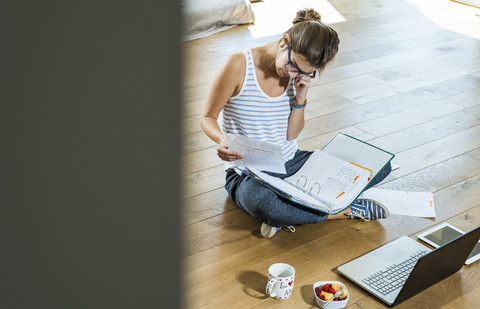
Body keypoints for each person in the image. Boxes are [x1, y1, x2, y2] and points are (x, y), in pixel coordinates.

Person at [200, 8, 392, 238]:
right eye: (293, 66)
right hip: (248, 173)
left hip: (292, 162)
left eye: (305, 73)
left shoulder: (298, 76)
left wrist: (300, 98)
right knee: (270, 206)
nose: (293, 75)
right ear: (285, 41)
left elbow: (292, 136)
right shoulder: (238, 65)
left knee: (381, 166)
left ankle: (295, 211)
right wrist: (222, 140)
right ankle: (343, 211)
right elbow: (207, 118)